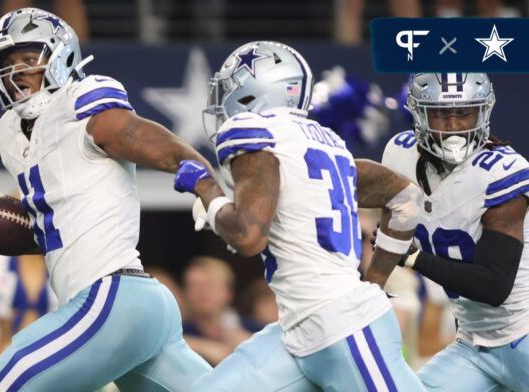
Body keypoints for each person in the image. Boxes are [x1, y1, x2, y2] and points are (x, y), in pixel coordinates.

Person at [0, 7, 212, 391]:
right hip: (135, 305)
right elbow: (65, 219)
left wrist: (205, 181)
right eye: (7, 63)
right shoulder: (9, 133)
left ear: (62, 56)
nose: (16, 71)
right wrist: (18, 229)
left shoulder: (79, 99)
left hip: (110, 299)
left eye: (28, 59)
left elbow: (134, 133)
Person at [173, 40, 425, 391]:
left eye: (230, 88)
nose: (222, 102)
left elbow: (247, 236)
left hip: (344, 326)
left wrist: (207, 191)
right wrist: (375, 283)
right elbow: (406, 197)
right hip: (298, 328)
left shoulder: (254, 133)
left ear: (257, 91)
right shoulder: (326, 141)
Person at [367, 72, 529, 391]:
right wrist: (370, 291)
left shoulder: (502, 172)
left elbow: (494, 287)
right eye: (441, 113)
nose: (454, 126)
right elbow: (394, 221)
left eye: (464, 112)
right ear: (419, 114)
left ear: (483, 112)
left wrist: (415, 260)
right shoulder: (399, 153)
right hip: (473, 344)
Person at [182, 256, 253, 366]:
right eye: (194, 285)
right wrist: (205, 347)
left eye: (210, 285)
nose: (202, 291)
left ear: (229, 293)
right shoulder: (179, 333)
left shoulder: (255, 328)